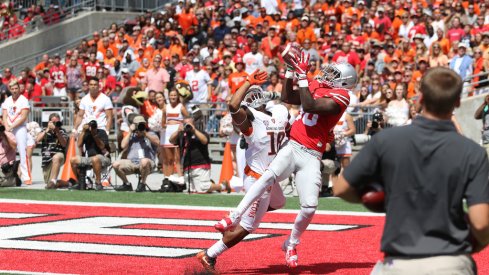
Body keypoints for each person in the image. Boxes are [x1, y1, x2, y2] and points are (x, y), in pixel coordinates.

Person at [334, 67, 489, 274]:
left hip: (399, 263)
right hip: (451, 261)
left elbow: (342, 188)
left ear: (420, 99)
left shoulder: (386, 140)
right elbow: (481, 224)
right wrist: (469, 248)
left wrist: (382, 200)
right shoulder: (473, 152)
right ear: (457, 103)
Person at [214, 49, 357, 268]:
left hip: (311, 154)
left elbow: (309, 105)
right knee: (268, 176)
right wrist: (290, 72)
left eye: (335, 76)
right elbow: (288, 97)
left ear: (344, 83)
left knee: (309, 206)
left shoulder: (343, 96)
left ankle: (291, 243)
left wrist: (301, 75)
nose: (328, 76)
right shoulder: (318, 86)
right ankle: (234, 215)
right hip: (293, 145)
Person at [197, 70, 288, 273]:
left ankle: (241, 218)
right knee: (248, 227)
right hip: (258, 179)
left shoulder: (274, 116)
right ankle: (209, 254)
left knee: (280, 202)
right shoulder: (258, 121)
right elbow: (233, 105)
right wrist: (247, 82)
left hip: (268, 177)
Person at [169, 117, 227, 193]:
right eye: (185, 124)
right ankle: (210, 183)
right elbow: (171, 140)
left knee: (202, 189)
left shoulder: (200, 132)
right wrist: (178, 131)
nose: (187, 126)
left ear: (194, 124)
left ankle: (222, 186)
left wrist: (194, 130)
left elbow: (205, 141)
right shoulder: (182, 134)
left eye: (189, 124)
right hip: (187, 166)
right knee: (192, 190)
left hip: (200, 164)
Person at [113, 115, 159, 192]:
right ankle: (126, 184)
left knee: (144, 161)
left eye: (142, 124)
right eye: (138, 124)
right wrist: (130, 132)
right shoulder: (131, 136)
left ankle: (142, 184)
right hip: (132, 162)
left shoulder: (151, 134)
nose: (140, 127)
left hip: (148, 163)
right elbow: (123, 145)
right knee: (115, 164)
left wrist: (145, 134)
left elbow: (157, 143)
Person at [2, 81, 31, 185]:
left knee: (22, 151)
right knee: (6, 150)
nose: (14, 91)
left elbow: (23, 117)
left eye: (16, 88)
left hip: (19, 128)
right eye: (12, 89)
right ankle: (9, 174)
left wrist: (11, 126)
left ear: (19, 89)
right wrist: (6, 127)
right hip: (8, 127)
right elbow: (4, 115)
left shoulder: (24, 100)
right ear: (10, 89)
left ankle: (26, 176)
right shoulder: (7, 100)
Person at [70, 119, 111, 191]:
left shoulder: (102, 132)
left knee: (95, 158)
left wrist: (95, 135)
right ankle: (80, 182)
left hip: (103, 157)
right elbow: (79, 144)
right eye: (91, 126)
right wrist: (83, 131)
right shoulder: (86, 133)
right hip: (89, 158)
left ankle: (98, 183)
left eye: (94, 126)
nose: (93, 128)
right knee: (73, 160)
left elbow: (102, 147)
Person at [160, 89, 189, 186]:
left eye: (175, 95)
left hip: (177, 132)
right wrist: (167, 125)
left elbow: (188, 119)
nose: (173, 97)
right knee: (169, 159)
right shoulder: (165, 107)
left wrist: (180, 125)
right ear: (168, 96)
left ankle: (181, 178)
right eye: (171, 95)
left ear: (178, 96)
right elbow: (163, 122)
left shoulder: (181, 107)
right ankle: (168, 178)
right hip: (168, 132)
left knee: (177, 158)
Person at [36, 113, 68, 189]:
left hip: (58, 156)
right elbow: (37, 140)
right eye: (53, 122)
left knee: (56, 157)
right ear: (49, 122)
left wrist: (57, 131)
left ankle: (53, 181)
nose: (55, 124)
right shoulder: (44, 130)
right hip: (46, 160)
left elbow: (64, 144)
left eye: (57, 122)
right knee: (49, 182)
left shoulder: (62, 131)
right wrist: (47, 129)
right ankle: (67, 183)